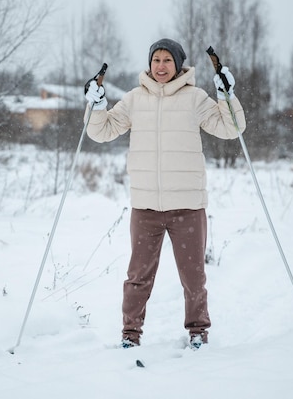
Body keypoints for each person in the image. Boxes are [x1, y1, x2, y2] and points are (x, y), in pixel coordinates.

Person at [83, 38, 246, 350]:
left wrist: (227, 95)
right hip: (146, 208)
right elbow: (100, 131)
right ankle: (130, 336)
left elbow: (231, 128)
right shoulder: (133, 100)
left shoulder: (195, 98)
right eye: (156, 60)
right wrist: (96, 105)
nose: (160, 66)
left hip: (187, 207)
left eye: (167, 61)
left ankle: (198, 332)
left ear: (178, 64)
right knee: (137, 279)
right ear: (149, 64)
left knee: (193, 277)